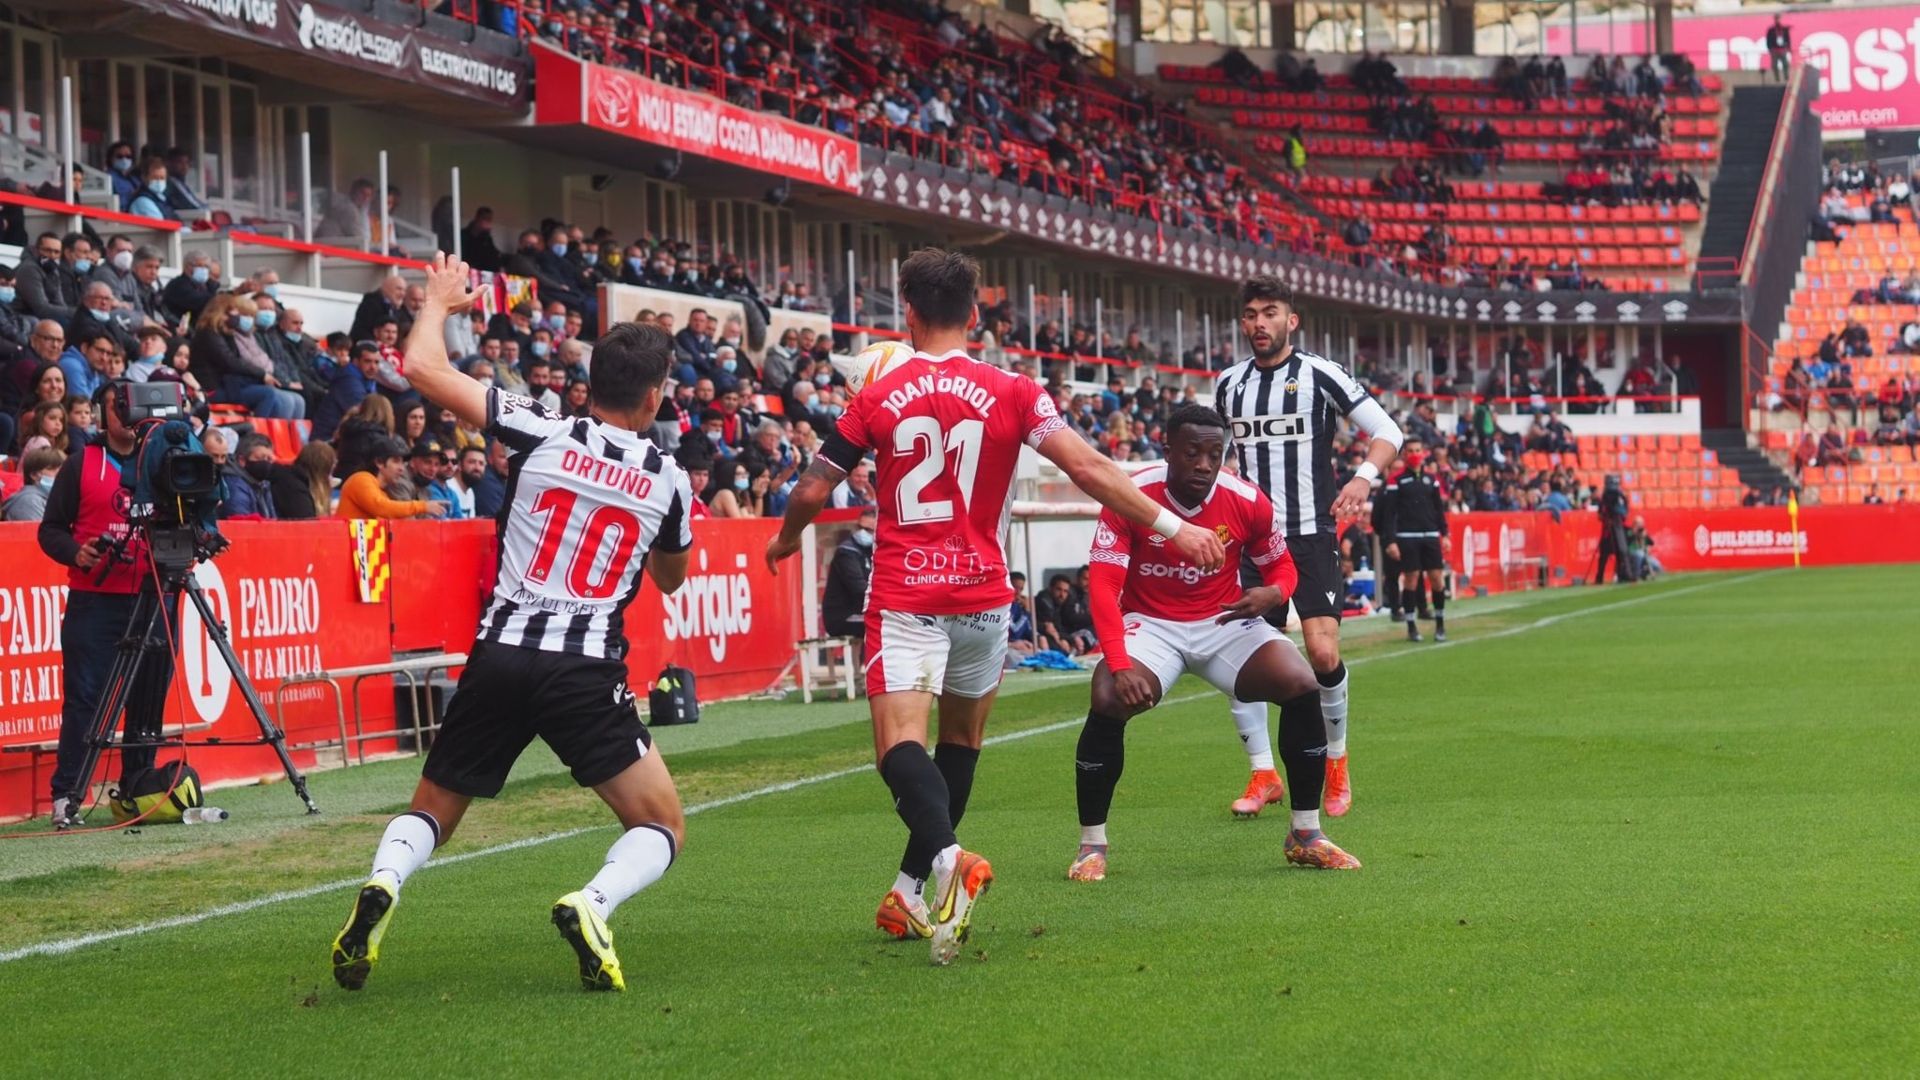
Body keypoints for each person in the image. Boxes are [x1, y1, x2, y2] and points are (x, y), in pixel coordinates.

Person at [764, 247, 1224, 964]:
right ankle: (909, 889)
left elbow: (814, 489)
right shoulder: (1015, 390)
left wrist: (786, 540)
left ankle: (948, 860)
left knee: (899, 749)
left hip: (908, 590)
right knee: (962, 746)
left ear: (908, 315)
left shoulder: (878, 395)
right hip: (983, 594)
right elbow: (1090, 469)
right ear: (975, 315)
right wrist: (1176, 525)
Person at [331, 255, 696, 996]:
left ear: (592, 384)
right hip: (584, 667)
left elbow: (421, 369)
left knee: (433, 808)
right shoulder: (669, 478)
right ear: (655, 396)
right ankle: (592, 903)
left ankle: (382, 883)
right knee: (660, 825)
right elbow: (669, 576)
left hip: (500, 652)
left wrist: (437, 301)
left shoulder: (541, 429)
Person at [1069, 404, 1359, 883]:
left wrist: (1274, 592)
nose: (1204, 464)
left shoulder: (1246, 498)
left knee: (1301, 682)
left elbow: (1282, 567)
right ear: (1168, 452)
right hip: (1151, 624)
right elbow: (1101, 586)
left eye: (1214, 453)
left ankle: (1305, 835)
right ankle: (1091, 845)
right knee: (1105, 697)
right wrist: (1120, 664)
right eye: (1192, 453)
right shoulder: (1131, 495)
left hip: (1223, 621)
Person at [1213, 276, 1403, 818]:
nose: (1259, 323)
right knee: (1242, 661)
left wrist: (1364, 478)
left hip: (1310, 533)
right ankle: (1262, 772)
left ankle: (1336, 763)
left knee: (1322, 654)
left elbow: (1387, 430)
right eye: (1250, 314)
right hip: (1251, 540)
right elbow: (1213, 459)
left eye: (1270, 312)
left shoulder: (1320, 373)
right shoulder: (1229, 384)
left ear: (1291, 321)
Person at [36, 381, 177, 828]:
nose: (127, 412)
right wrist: (75, 551)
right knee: (85, 699)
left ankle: (136, 789)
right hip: (95, 600)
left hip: (155, 596)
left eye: (131, 403)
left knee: (148, 699)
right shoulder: (82, 464)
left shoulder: (167, 462)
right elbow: (50, 530)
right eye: (118, 406)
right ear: (103, 413)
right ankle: (68, 795)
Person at [1380, 451, 1450, 642]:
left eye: (1418, 450)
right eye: (1411, 451)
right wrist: (1391, 541)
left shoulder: (1431, 479)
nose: (1415, 454)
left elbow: (1439, 509)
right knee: (1411, 579)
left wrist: (1445, 534)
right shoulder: (1397, 480)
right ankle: (1411, 626)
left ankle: (1440, 625)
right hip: (1407, 537)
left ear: (1423, 453)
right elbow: (1390, 513)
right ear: (1405, 456)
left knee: (1437, 579)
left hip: (1430, 536)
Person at [336, 436, 447, 520]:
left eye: (403, 463)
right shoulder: (361, 479)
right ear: (379, 462)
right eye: (396, 461)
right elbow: (381, 507)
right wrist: (423, 506)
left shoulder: (382, 492)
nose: (402, 468)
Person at [820, 507, 877, 637]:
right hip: (843, 617)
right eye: (860, 528)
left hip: (860, 613)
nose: (863, 532)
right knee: (885, 625)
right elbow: (859, 588)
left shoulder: (872, 551)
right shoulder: (846, 552)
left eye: (869, 530)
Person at [221, 433, 280, 518]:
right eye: (260, 458)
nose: (266, 463)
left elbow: (273, 521)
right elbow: (241, 523)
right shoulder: (234, 486)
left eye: (269, 459)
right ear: (242, 460)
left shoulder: (263, 484)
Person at [273, 441, 336, 519]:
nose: (330, 477)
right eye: (329, 472)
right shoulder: (296, 489)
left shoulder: (297, 481)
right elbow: (307, 523)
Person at [2, 446, 64, 521]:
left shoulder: (52, 498)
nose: (60, 473)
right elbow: (41, 532)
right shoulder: (29, 501)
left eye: (63, 468)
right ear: (34, 475)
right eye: (51, 469)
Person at [1594, 475, 1634, 583]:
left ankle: (1623, 574)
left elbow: (1622, 511)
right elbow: (1602, 513)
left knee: (1619, 551)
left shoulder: (1617, 496)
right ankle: (1602, 576)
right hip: (1611, 528)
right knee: (1609, 553)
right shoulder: (1614, 496)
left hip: (1615, 526)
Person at [1765, 15, 1792, 82]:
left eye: (1778, 18)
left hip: (1782, 49)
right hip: (1774, 50)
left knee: (1785, 64)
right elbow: (1768, 40)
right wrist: (1770, 48)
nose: (1777, 20)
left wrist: (1788, 47)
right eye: (1776, 19)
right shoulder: (1771, 30)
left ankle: (1786, 77)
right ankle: (1777, 79)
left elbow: (1788, 39)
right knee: (1774, 65)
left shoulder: (1783, 29)